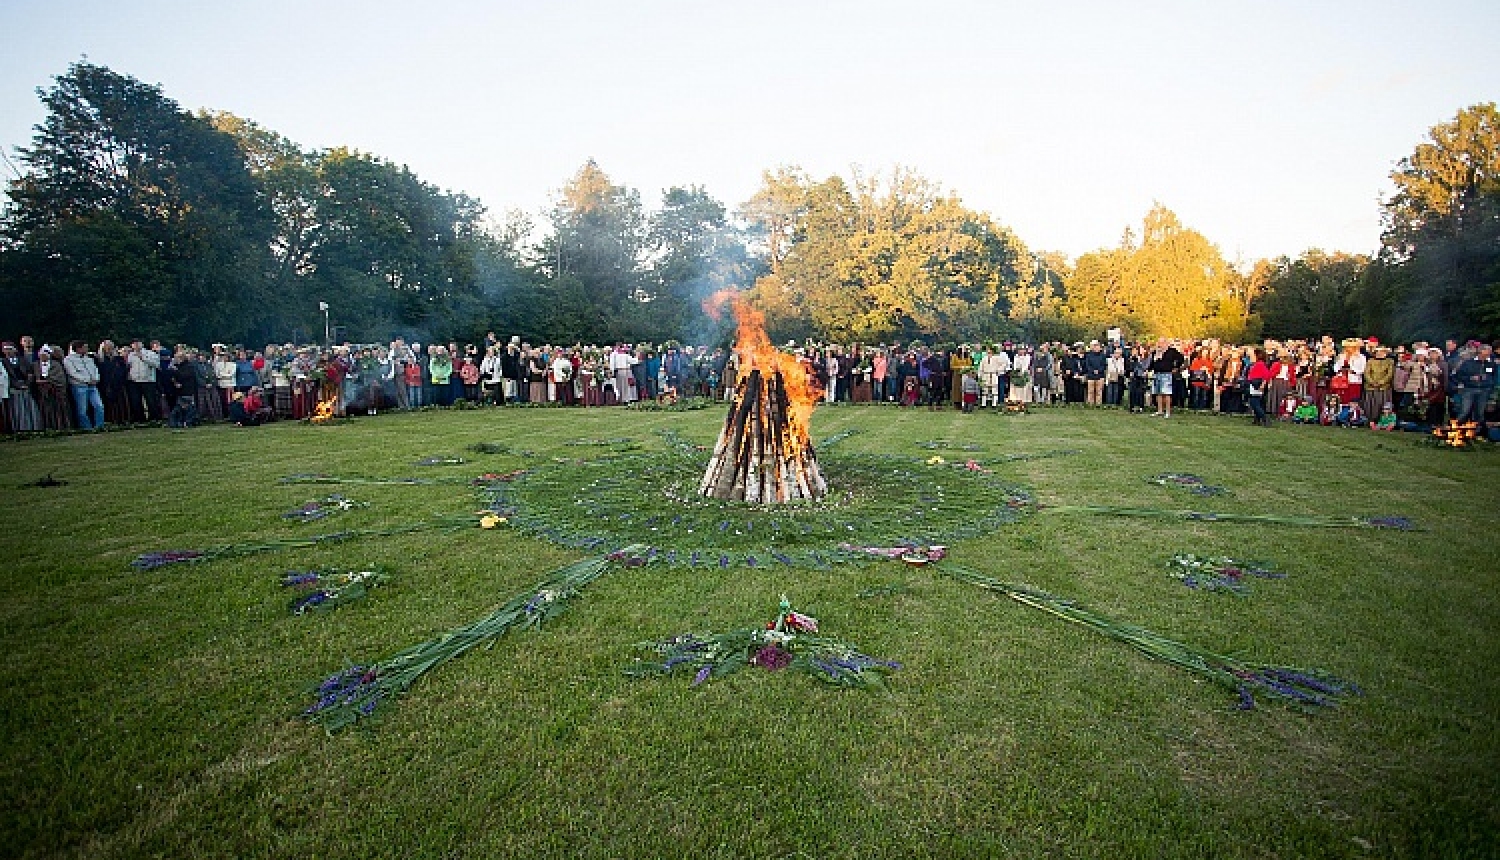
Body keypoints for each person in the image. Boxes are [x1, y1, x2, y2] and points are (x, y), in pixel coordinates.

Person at [63, 340, 104, 430]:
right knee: (82, 409)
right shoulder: (68, 359)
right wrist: (86, 380)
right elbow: (72, 373)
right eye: (85, 347)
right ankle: (86, 427)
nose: (87, 349)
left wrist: (96, 379)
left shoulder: (88, 359)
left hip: (93, 386)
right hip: (79, 386)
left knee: (99, 406)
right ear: (78, 348)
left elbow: (95, 369)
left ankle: (99, 426)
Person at [125, 339, 161, 421]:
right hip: (134, 381)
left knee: (151, 401)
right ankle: (140, 418)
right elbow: (129, 366)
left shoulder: (150, 353)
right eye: (134, 344)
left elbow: (156, 364)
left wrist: (143, 358)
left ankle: (154, 418)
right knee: (136, 401)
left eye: (138, 343)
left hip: (148, 380)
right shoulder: (130, 355)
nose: (136, 345)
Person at [1149, 338, 1184, 417]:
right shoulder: (1155, 352)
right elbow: (1151, 363)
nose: (1160, 344)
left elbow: (1181, 358)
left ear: (1166, 343)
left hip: (1166, 374)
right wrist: (1149, 370)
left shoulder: (1171, 351)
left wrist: (1176, 367)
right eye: (1159, 342)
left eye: (1162, 343)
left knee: (1167, 393)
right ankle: (1159, 410)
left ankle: (1168, 411)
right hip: (1156, 374)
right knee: (1158, 393)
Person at [1245, 348, 1273, 426]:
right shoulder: (1257, 364)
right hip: (1254, 384)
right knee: (1256, 403)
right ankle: (1257, 419)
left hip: (1257, 384)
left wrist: (1263, 384)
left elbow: (1266, 375)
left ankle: (1264, 418)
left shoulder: (1260, 364)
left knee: (1254, 403)